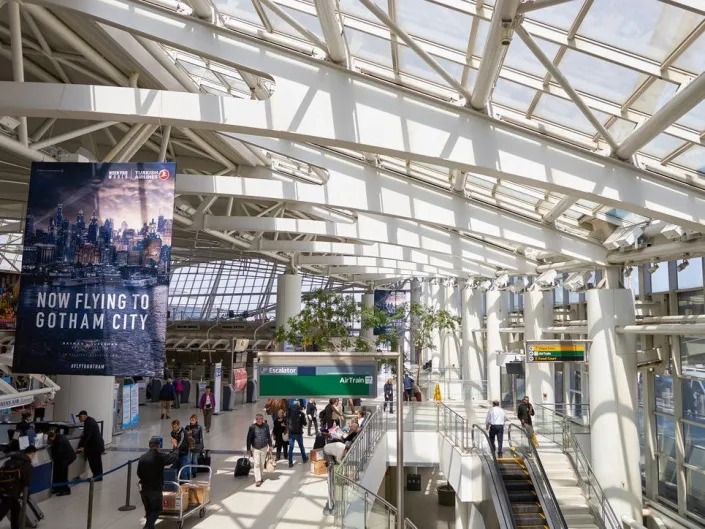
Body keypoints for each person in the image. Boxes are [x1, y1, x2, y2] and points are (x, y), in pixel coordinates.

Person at [137, 437, 179, 529]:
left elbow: (139, 473)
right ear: (158, 446)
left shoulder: (142, 457)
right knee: (157, 509)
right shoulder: (160, 457)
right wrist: (175, 446)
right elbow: (174, 457)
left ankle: (149, 526)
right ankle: (148, 526)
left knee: (149, 511)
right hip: (155, 489)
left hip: (144, 489)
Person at [0, 446, 35, 529]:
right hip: (12, 491)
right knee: (3, 510)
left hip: (3, 488)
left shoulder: (9, 460)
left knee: (15, 508)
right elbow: (27, 481)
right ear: (32, 454)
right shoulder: (26, 463)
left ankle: (15, 527)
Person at [76, 410, 104, 481]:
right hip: (96, 445)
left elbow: (87, 435)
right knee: (97, 462)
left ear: (84, 416)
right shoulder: (89, 420)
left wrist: (82, 446)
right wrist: (84, 432)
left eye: (80, 417)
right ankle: (98, 476)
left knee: (94, 462)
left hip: (94, 446)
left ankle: (97, 477)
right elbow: (88, 432)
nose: (79, 419)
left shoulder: (89, 422)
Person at [246, 414, 273, 487]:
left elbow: (268, 436)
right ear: (256, 420)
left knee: (261, 464)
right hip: (256, 448)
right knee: (256, 463)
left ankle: (260, 476)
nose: (259, 420)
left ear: (262, 419)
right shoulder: (252, 427)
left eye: (260, 419)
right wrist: (248, 449)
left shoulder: (266, 426)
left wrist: (270, 445)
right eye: (257, 419)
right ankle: (257, 480)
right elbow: (248, 439)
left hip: (264, 447)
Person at [48, 430, 76, 496]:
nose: (50, 440)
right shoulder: (58, 437)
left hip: (66, 458)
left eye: (50, 439)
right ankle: (57, 488)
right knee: (58, 474)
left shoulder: (59, 441)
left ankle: (65, 490)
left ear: (53, 436)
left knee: (62, 475)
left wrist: (53, 458)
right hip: (63, 458)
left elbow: (58, 453)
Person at [286, 403, 308, 468]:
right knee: (301, 446)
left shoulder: (288, 414)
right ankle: (304, 458)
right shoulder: (301, 414)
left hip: (291, 434)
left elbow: (287, 422)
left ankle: (290, 463)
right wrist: (303, 417)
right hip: (299, 434)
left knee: (291, 448)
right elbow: (305, 423)